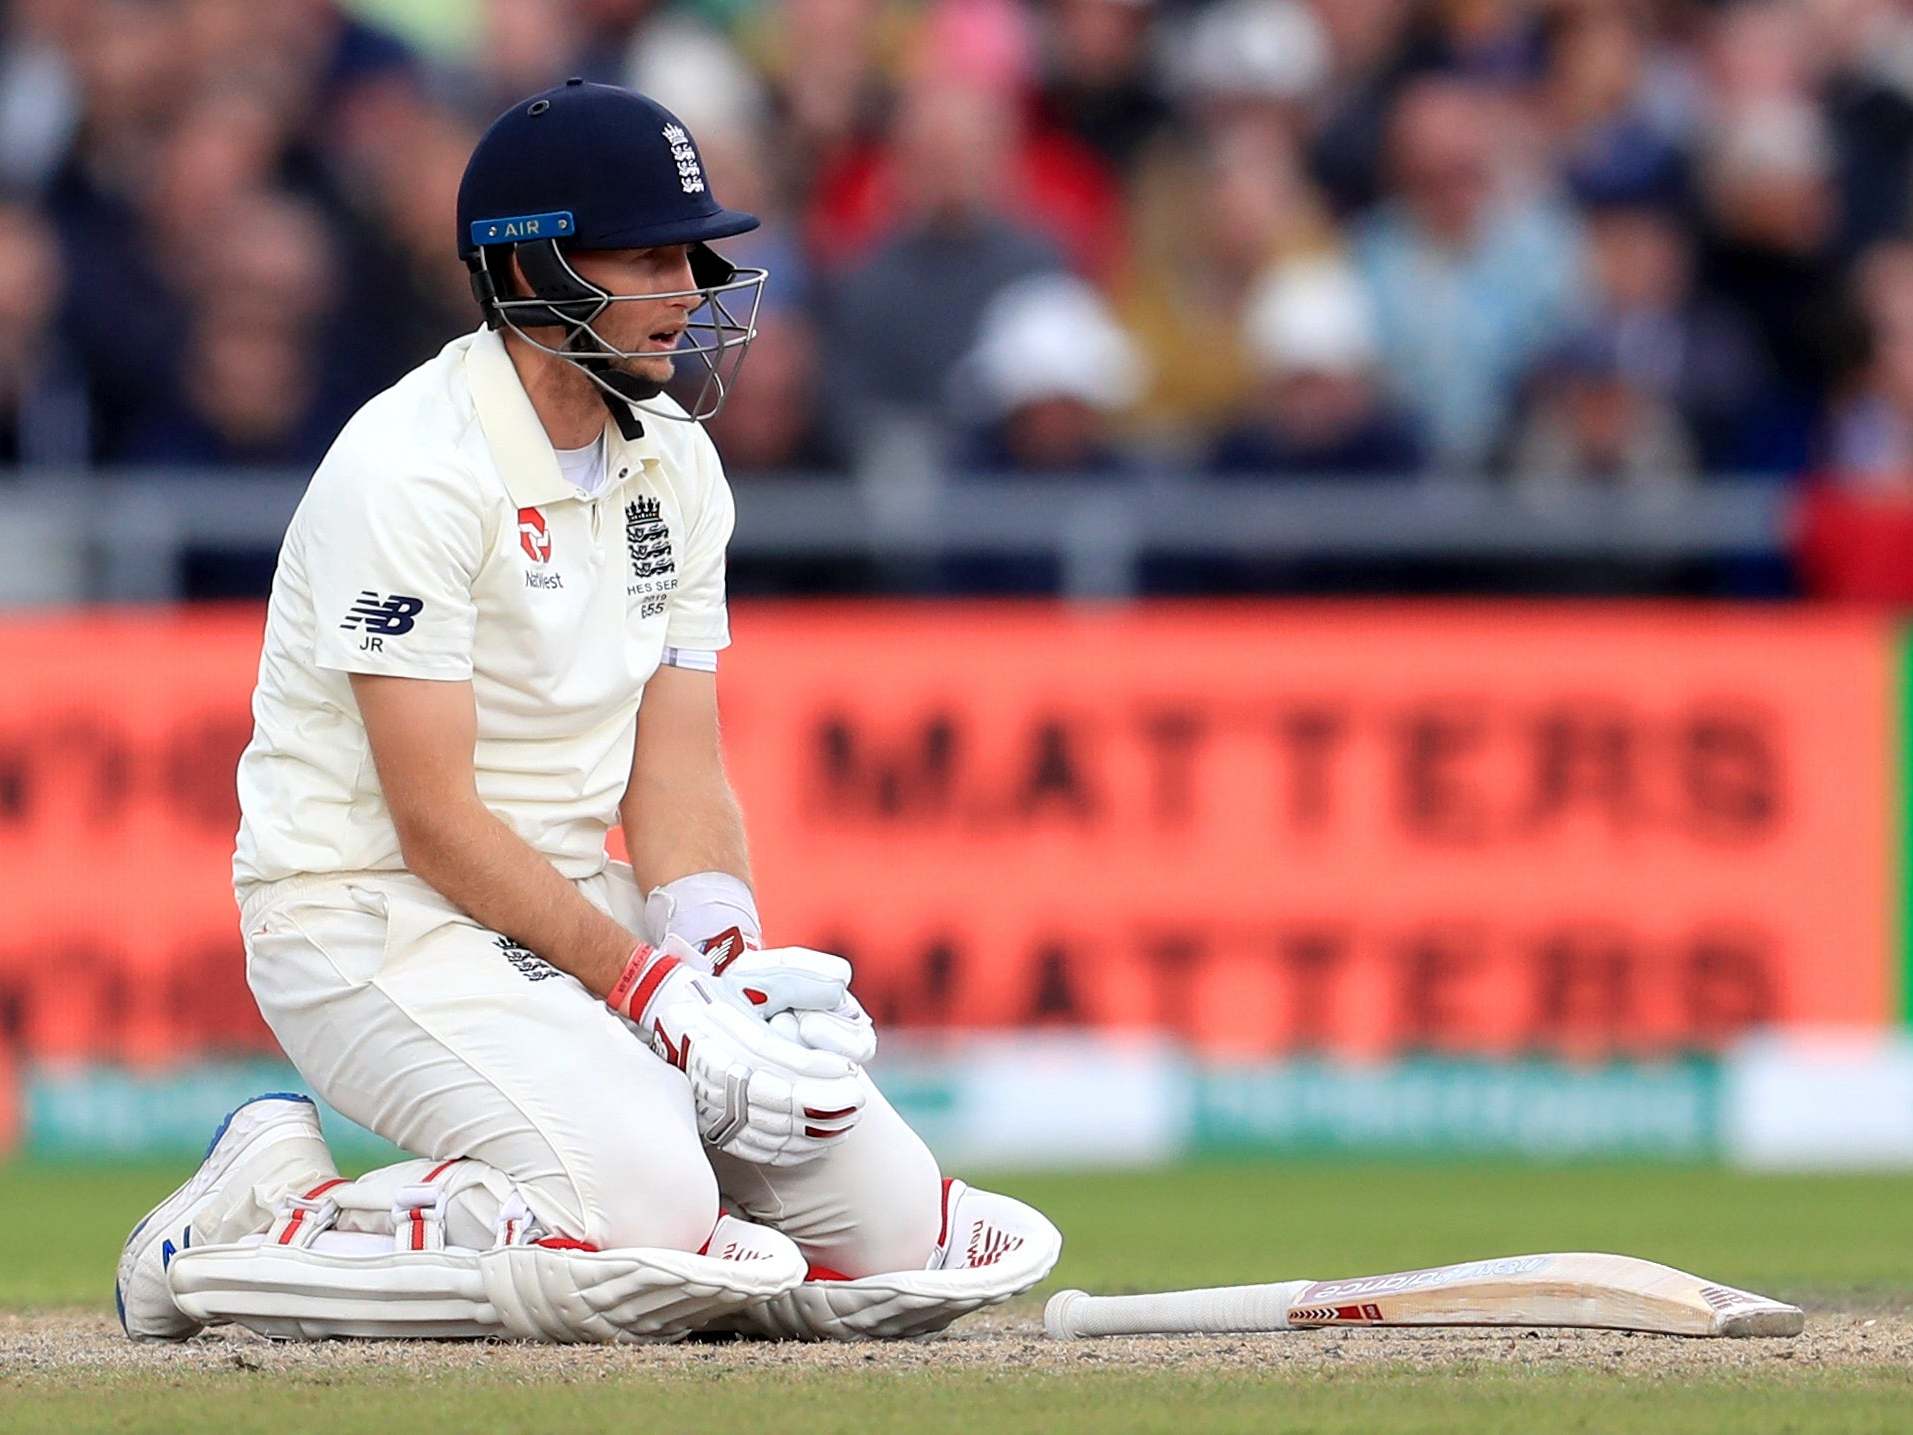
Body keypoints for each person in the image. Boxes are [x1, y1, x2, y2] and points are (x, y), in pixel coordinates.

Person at [114, 80, 1060, 1346]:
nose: (689, 286)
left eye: (694, 254)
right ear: (535, 263)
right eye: (651, 255)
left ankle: (624, 1215)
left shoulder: (674, 455)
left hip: (562, 908)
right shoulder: (409, 468)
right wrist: (646, 985)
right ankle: (258, 1211)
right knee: (650, 1214)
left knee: (886, 1230)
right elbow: (434, 820)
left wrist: (717, 958)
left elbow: (675, 776)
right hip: (361, 916)